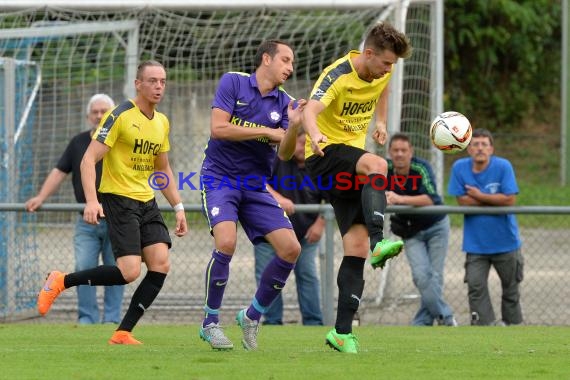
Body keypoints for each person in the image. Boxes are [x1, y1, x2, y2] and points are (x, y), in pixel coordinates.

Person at [37, 60, 188, 344]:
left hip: (147, 200)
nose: (158, 86)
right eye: (152, 81)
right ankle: (61, 281)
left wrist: (178, 207)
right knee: (129, 272)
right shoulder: (119, 115)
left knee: (160, 264)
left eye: (163, 81)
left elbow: (163, 168)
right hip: (118, 200)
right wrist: (92, 201)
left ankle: (122, 332)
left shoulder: (162, 122)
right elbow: (87, 159)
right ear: (138, 84)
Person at [302, 22, 412, 353]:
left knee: (356, 247)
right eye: (385, 63)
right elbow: (310, 109)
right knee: (378, 165)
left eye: (392, 65)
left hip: (350, 162)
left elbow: (384, 90)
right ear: (368, 53)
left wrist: (380, 121)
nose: (388, 70)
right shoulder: (337, 75)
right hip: (323, 155)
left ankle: (341, 332)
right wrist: (314, 133)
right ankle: (382, 240)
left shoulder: (382, 73)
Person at [198, 40, 305, 351]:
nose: (290, 67)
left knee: (290, 248)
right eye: (285, 60)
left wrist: (294, 128)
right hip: (220, 178)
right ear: (266, 58)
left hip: (255, 185)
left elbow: (284, 153)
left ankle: (251, 316)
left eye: (292, 63)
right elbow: (218, 128)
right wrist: (268, 132)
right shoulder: (233, 82)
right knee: (227, 242)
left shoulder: (284, 102)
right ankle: (210, 323)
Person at [26, 94, 124, 325]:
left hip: (118, 220)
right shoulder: (78, 142)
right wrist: (41, 196)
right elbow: (60, 171)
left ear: (112, 115)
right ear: (88, 116)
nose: (99, 115)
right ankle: (87, 318)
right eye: (95, 112)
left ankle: (112, 320)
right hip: (86, 222)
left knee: (118, 271)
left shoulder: (120, 142)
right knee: (83, 267)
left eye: (104, 111)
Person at [448, 128, 524, 326]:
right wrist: (493, 200)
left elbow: (510, 200)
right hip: (475, 245)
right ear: (468, 150)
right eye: (475, 144)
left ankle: (514, 327)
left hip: (506, 242)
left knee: (511, 289)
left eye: (484, 144)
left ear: (492, 149)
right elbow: (462, 202)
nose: (480, 148)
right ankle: (484, 327)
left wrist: (479, 196)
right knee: (475, 287)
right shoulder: (459, 168)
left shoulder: (503, 166)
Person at [253, 130, 324, 326]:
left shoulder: (319, 163)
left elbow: (332, 196)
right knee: (268, 275)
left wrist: (320, 223)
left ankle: (313, 323)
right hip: (269, 232)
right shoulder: (276, 160)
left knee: (308, 276)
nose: (303, 148)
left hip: (305, 235)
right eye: (300, 143)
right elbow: (256, 181)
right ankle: (273, 321)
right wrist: (279, 198)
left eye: (307, 143)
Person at [385, 133, 456, 326]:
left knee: (435, 276)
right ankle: (446, 316)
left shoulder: (421, 167)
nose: (399, 154)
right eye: (395, 150)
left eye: (403, 150)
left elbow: (430, 198)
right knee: (420, 275)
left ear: (411, 152)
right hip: (411, 232)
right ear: (390, 152)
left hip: (436, 226)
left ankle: (423, 321)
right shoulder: (384, 169)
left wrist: (400, 200)